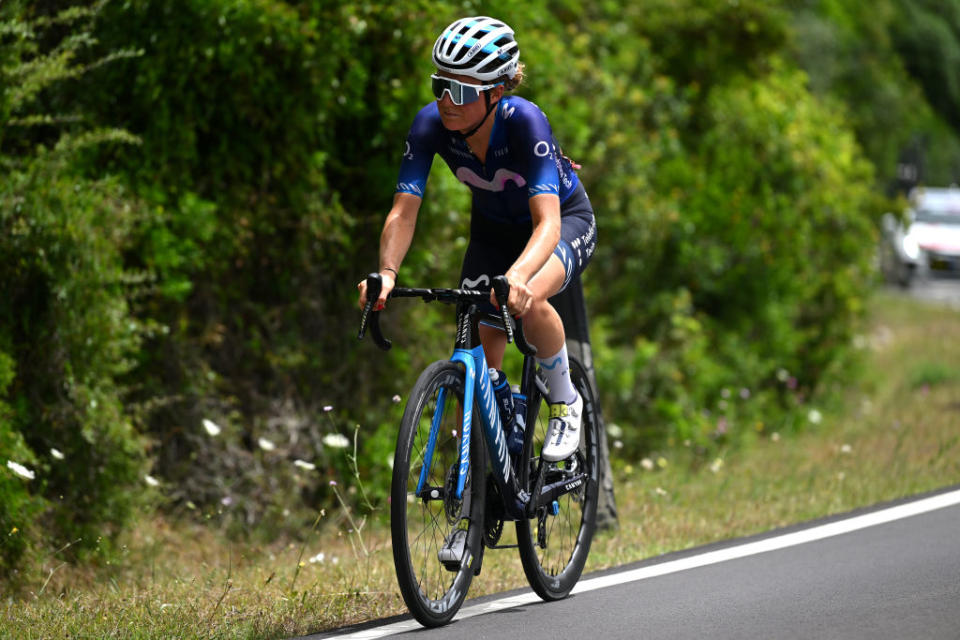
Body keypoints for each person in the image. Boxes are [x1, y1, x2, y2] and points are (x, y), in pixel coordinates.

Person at [358, 16, 597, 462]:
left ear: (496, 93)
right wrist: (387, 273)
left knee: (530, 303)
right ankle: (490, 470)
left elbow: (546, 223)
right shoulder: (430, 125)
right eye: (440, 85)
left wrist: (522, 276)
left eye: (463, 91)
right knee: (479, 368)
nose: (448, 101)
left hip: (561, 223)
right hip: (492, 232)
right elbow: (403, 209)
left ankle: (566, 402)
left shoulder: (525, 122)